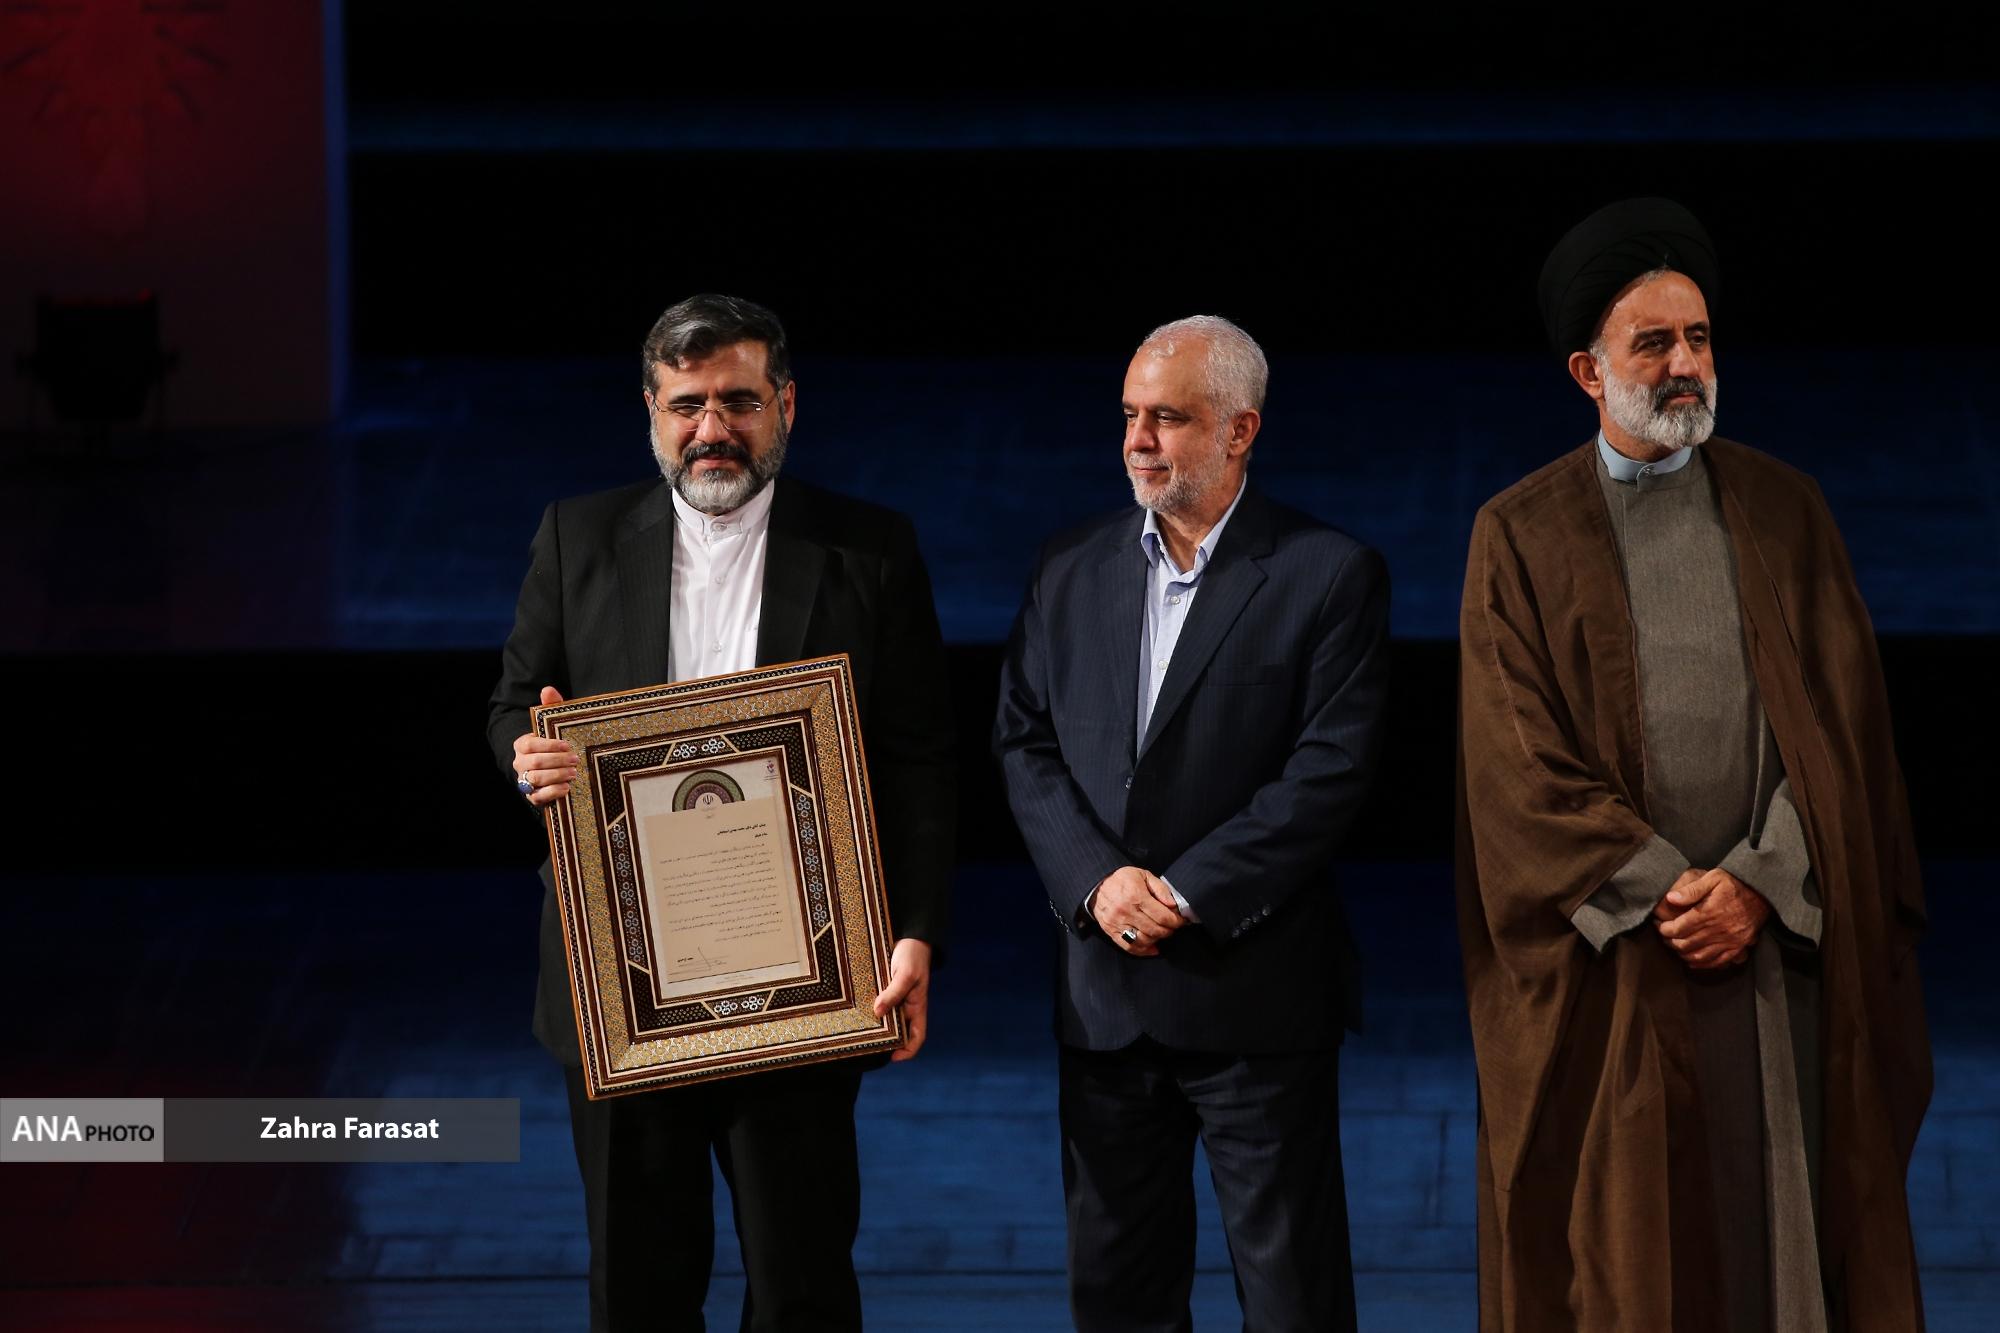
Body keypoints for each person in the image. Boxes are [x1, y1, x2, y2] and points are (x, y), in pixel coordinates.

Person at [1455, 198, 1930, 1331]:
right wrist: (1665, 887)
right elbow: (1515, 766)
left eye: (1699, 338)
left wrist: (1757, 883)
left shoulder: (1783, 508)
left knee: (1787, 1236)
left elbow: (1845, 729)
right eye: (1653, 343)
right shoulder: (1518, 535)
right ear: (1588, 372)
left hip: (1775, 946)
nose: (1684, 365)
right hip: (1623, 960)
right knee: (1632, 1251)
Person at [487, 293, 954, 1331]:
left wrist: (915, 930)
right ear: (652, 412)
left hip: (806, 978)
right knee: (637, 1292)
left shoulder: (870, 550)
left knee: (801, 1289)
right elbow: (514, 705)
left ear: (785, 405)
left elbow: (920, 760)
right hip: (623, 983)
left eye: (738, 401)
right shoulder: (577, 537)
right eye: (687, 404)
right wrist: (529, 756)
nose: (713, 428)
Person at [993, 315, 1390, 1331]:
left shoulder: (1327, 572)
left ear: (1239, 430)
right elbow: (1024, 741)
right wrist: (1098, 882)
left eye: (1167, 418)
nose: (1138, 439)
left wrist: (1182, 891)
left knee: (1293, 1299)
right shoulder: (1067, 566)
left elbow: (1328, 771)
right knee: (1118, 1299)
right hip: (1104, 999)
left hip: (1253, 997)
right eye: (1130, 415)